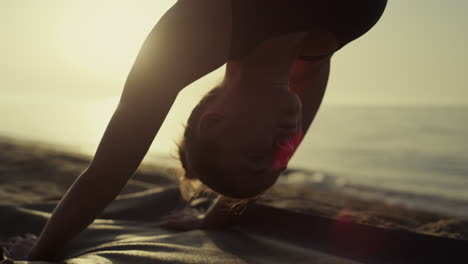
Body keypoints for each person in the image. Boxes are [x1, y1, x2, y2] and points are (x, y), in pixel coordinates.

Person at [7, 0, 387, 261]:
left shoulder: (193, 34)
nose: (283, 146)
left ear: (213, 122)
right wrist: (216, 217)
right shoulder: (332, 35)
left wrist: (43, 252)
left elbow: (108, 170)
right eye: (279, 161)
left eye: (258, 154)